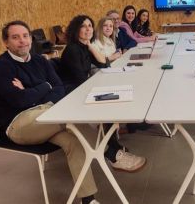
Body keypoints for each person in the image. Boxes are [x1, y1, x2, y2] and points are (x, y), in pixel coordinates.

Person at [0, 20, 100, 204]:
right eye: (15, 37)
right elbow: (19, 101)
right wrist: (44, 86)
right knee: (75, 120)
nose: (22, 41)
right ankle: (110, 151)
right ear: (5, 42)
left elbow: (59, 88)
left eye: (25, 36)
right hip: (19, 124)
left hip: (47, 115)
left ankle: (88, 199)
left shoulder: (40, 60)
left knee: (74, 141)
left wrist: (31, 90)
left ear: (31, 39)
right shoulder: (0, 67)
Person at [59, 14, 147, 171]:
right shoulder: (72, 50)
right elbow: (80, 80)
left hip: (82, 89)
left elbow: (103, 64)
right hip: (71, 94)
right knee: (108, 106)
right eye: (83, 26)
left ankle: (114, 147)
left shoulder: (84, 47)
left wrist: (90, 45)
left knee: (113, 103)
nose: (88, 29)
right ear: (75, 29)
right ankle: (112, 154)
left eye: (90, 26)